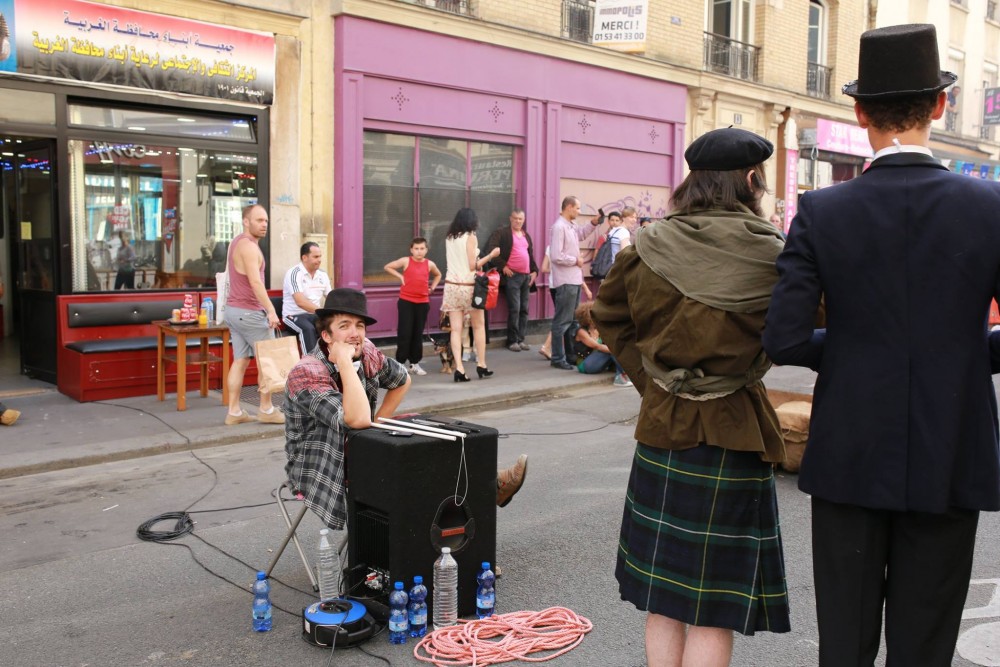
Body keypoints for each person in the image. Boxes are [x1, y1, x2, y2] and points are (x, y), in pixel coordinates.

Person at [763, 24, 1000, 667]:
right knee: (926, 645)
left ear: (860, 112)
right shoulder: (990, 206)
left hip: (850, 448)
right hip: (952, 445)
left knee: (844, 641)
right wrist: (969, 351)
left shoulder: (821, 211)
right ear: (940, 105)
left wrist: (850, 348)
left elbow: (784, 336)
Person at [593, 127, 789, 666]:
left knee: (665, 595)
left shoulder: (648, 245)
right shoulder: (774, 254)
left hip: (664, 425)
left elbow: (607, 315)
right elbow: (802, 327)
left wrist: (653, 379)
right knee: (712, 604)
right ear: (750, 180)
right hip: (734, 430)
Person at [284, 288, 528, 529]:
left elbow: (402, 380)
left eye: (360, 326)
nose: (355, 334)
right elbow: (357, 419)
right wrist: (345, 363)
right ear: (326, 336)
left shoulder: (365, 350)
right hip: (321, 464)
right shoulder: (306, 373)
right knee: (417, 463)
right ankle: (485, 492)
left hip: (358, 445)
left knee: (427, 437)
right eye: (344, 326)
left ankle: (487, 490)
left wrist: (377, 424)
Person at [224, 204, 284, 426]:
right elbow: (256, 283)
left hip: (234, 311)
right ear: (245, 221)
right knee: (266, 361)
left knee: (240, 360)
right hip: (249, 312)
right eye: (259, 220)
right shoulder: (249, 247)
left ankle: (234, 412)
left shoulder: (237, 242)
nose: (264, 224)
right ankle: (266, 409)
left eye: (266, 220)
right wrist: (271, 310)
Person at [442, 208, 500, 382]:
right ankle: (481, 364)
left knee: (456, 329)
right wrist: (491, 255)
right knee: (478, 326)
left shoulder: (450, 237)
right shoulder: (470, 237)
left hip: (451, 286)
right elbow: (472, 265)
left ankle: (459, 369)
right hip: (468, 286)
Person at [549, 196, 601, 370]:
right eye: (577, 208)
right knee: (562, 321)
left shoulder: (570, 226)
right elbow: (556, 256)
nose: (579, 211)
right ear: (569, 207)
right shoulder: (559, 227)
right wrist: (575, 261)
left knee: (572, 321)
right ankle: (557, 358)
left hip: (574, 279)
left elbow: (581, 234)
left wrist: (593, 223)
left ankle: (569, 355)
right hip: (566, 280)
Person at [384, 237, 441, 376]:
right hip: (406, 302)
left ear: (426, 250)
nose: (419, 251)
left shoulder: (430, 264)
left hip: (422, 303)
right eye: (416, 248)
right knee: (405, 333)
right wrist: (400, 277)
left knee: (417, 334)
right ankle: (400, 364)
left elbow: (438, 275)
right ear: (411, 250)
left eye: (422, 248)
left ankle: (414, 363)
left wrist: (432, 288)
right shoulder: (406, 261)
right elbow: (388, 266)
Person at [484, 209, 539, 352]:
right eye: (515, 218)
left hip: (526, 277)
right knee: (515, 309)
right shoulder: (502, 233)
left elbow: (530, 256)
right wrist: (503, 266)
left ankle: (521, 339)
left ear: (524, 220)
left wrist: (534, 271)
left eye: (520, 219)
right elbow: (491, 251)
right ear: (510, 218)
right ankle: (512, 341)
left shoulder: (526, 236)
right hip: (512, 277)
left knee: (524, 309)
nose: (518, 221)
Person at [282, 241, 333, 355]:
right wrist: (322, 312)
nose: (319, 260)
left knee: (333, 326)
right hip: (294, 315)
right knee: (308, 328)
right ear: (304, 258)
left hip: (314, 315)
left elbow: (331, 297)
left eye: (320, 256)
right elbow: (300, 301)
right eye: (315, 257)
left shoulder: (322, 274)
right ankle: (310, 362)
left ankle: (332, 359)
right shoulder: (294, 273)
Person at [572, 302, 630, 387]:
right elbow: (597, 346)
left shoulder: (598, 329)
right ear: (588, 317)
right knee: (612, 350)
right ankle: (621, 377)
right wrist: (617, 350)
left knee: (615, 346)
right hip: (585, 364)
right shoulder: (581, 332)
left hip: (598, 361)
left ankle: (623, 374)